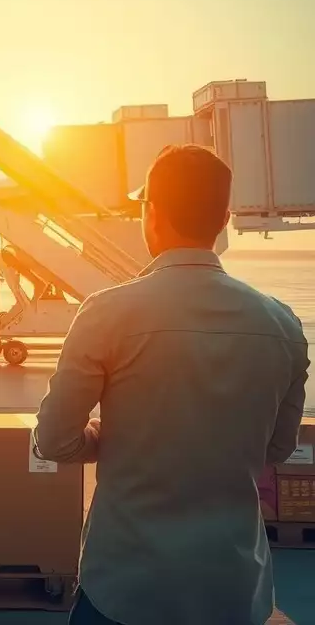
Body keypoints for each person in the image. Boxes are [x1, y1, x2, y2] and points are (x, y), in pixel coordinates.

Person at [33, 144, 310, 625]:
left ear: (151, 215)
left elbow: (54, 439)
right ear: (224, 219)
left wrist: (104, 436)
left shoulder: (106, 315)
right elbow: (278, 448)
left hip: (124, 586)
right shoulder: (281, 325)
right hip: (232, 587)